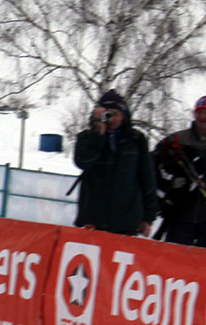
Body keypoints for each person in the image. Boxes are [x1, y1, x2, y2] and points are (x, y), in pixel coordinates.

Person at [73, 90, 157, 237]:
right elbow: (83, 162)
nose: (111, 119)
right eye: (107, 114)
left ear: (124, 115)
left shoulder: (136, 140)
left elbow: (147, 179)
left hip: (127, 222)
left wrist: (148, 218)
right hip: (93, 219)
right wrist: (98, 134)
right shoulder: (87, 138)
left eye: (116, 113)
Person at [152, 96, 206, 246]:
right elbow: (152, 167)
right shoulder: (177, 139)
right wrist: (169, 184)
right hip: (180, 216)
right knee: (174, 257)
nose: (203, 117)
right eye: (200, 112)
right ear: (194, 114)